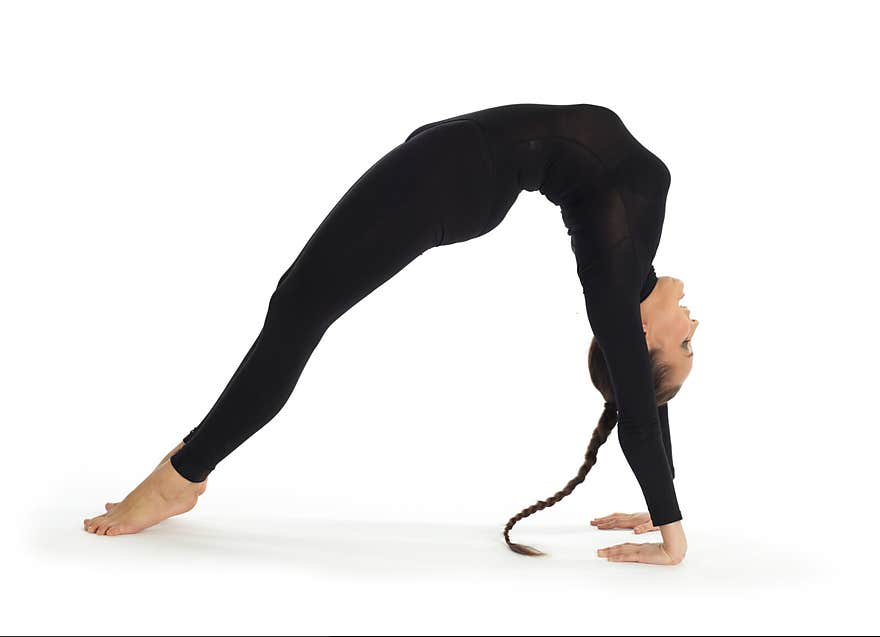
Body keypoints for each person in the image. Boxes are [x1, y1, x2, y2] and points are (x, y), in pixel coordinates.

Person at [84, 103, 698, 565]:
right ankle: (186, 471)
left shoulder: (615, 293)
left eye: (686, 345)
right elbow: (641, 398)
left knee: (296, 310)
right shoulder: (634, 271)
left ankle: (181, 478)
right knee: (296, 306)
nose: (696, 327)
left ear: (643, 335)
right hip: (451, 160)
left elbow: (639, 406)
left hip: (449, 178)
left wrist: (672, 534)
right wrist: (659, 501)